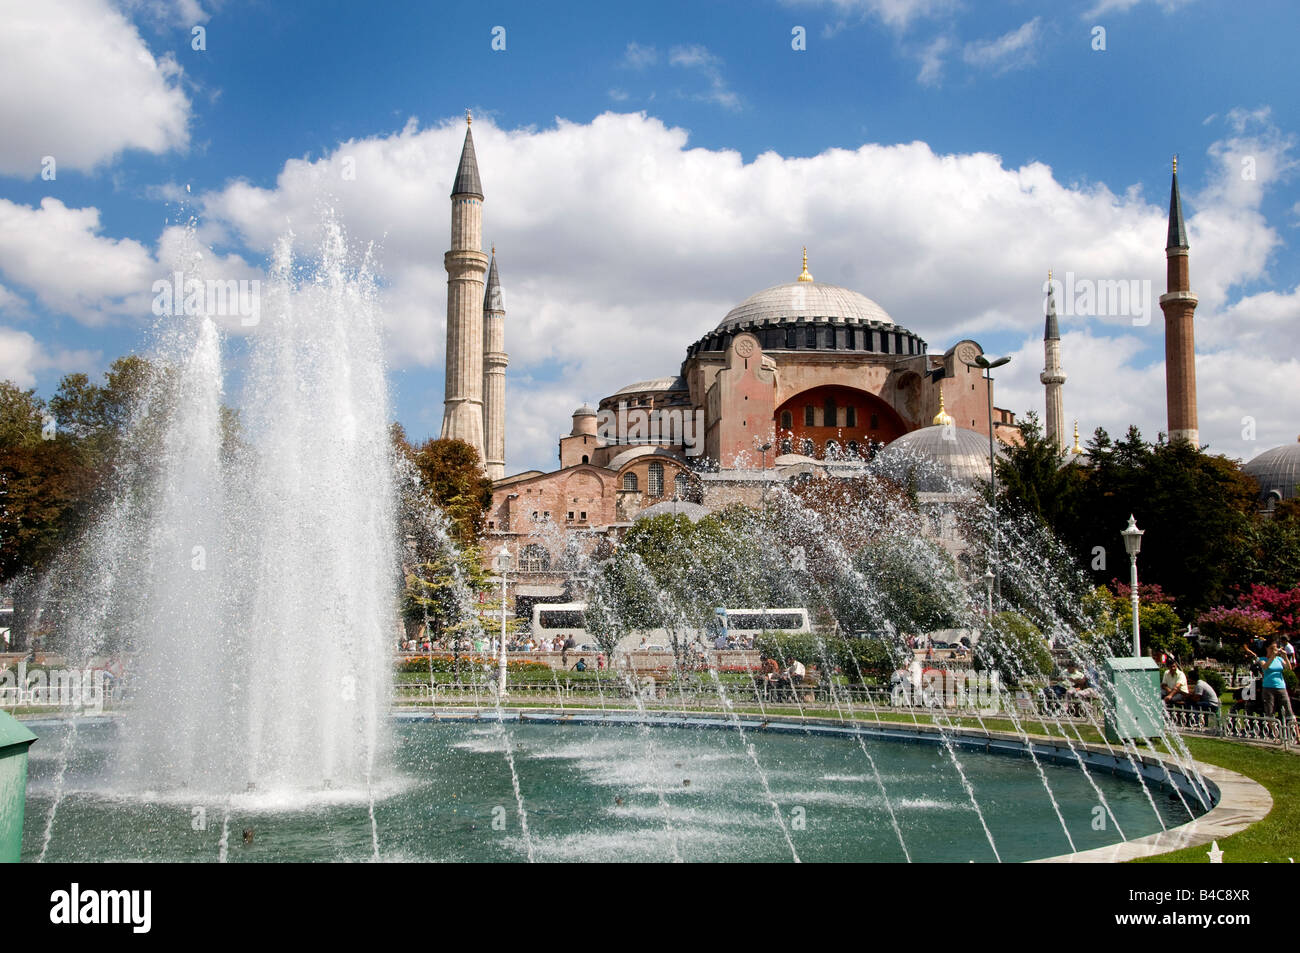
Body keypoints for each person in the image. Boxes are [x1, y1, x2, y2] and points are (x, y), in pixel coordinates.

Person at [1245, 641, 1294, 720]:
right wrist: (1272, 656)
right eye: (1271, 648)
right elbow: (1265, 667)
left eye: (1275, 648)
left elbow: (1289, 668)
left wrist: (1285, 657)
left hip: (1281, 686)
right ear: (1266, 648)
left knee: (1288, 708)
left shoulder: (1279, 659)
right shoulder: (1262, 659)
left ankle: (1293, 726)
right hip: (1268, 687)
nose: (1274, 650)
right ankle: (1272, 727)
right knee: (1270, 711)